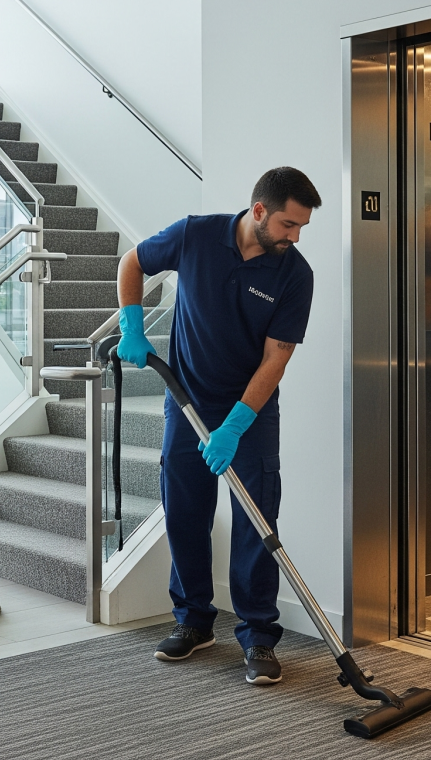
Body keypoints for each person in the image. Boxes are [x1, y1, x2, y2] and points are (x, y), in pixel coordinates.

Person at [116, 167, 320, 685]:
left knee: (256, 521)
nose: (295, 237)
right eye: (289, 224)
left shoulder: (295, 275)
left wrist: (235, 425)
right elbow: (132, 262)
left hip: (250, 413)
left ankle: (257, 636)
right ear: (259, 211)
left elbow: (276, 359)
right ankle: (193, 621)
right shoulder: (195, 235)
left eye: (301, 227)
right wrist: (132, 325)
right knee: (185, 513)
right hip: (186, 401)